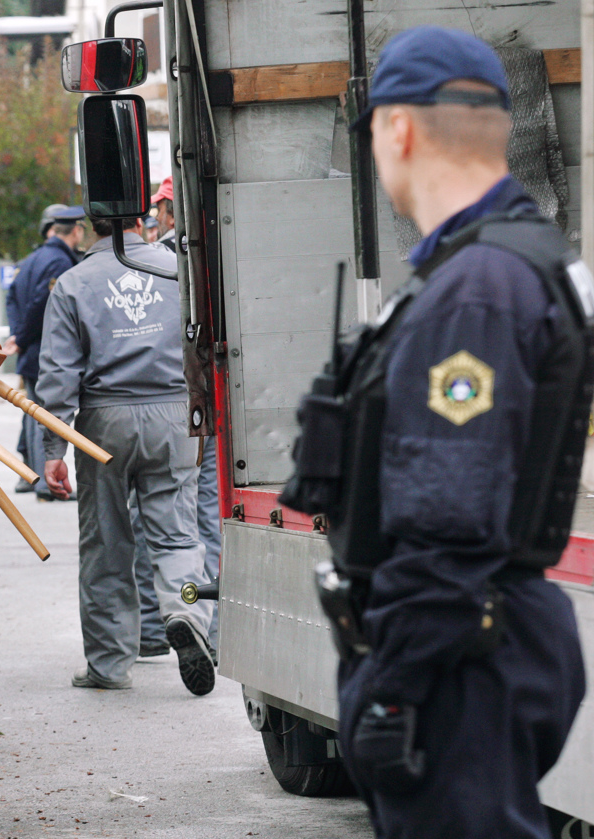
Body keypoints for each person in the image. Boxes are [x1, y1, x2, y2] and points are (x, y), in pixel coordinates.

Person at [292, 27, 589, 838]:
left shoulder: (475, 290)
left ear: (399, 129)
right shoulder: (511, 261)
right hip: (478, 642)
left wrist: (393, 689)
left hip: (456, 660)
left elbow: (448, 518)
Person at [38, 216, 216, 695]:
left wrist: (53, 449)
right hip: (174, 415)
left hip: (104, 422)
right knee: (178, 537)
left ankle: (109, 664)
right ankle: (185, 611)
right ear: (140, 220)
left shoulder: (73, 283)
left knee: (107, 544)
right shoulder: (177, 271)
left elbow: (58, 372)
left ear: (88, 226)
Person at [138, 175, 224, 662]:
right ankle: (210, 627)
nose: (156, 216)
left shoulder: (162, 260)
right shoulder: (221, 248)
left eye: (159, 208)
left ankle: (155, 627)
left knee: (161, 523)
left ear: (172, 211)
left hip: (181, 405)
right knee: (206, 519)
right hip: (220, 400)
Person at [4, 203, 85, 499]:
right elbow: (42, 305)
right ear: (76, 231)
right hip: (44, 351)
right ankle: (43, 484)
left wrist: (17, 336)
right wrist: (23, 338)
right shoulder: (60, 262)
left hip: (30, 350)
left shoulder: (31, 259)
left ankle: (30, 476)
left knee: (33, 413)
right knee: (45, 417)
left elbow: (12, 298)